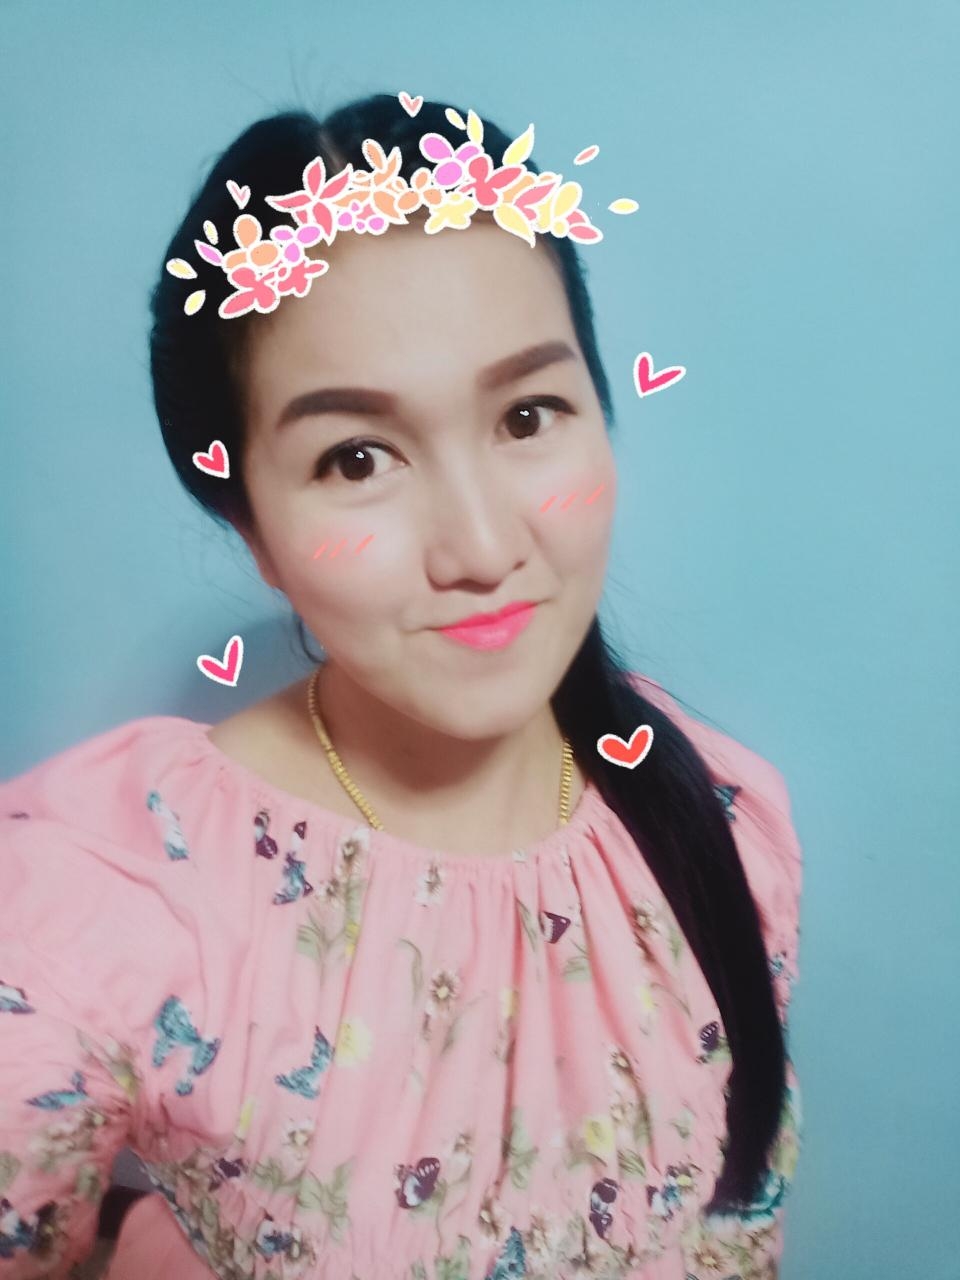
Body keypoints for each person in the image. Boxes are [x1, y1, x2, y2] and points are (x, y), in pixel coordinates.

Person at [0, 93, 803, 1280]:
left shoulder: (720, 816)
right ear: (252, 525)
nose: (480, 544)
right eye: (356, 456)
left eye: (528, 414)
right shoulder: (112, 890)